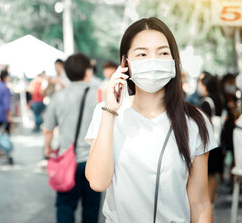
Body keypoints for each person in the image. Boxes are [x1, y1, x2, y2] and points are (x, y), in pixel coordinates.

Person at [85, 17, 216, 222]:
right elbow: (98, 182)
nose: (153, 61)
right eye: (142, 54)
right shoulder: (106, 112)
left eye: (163, 52)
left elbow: (200, 203)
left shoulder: (195, 121)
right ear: (125, 62)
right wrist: (110, 109)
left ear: (174, 60)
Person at [44, 53, 101, 223]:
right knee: (91, 208)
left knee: (65, 205)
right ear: (87, 72)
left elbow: (48, 129)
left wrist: (47, 149)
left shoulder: (58, 97)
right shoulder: (100, 95)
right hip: (94, 161)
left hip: (66, 160)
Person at [198, 73, 225, 203]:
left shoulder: (206, 102)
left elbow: (204, 123)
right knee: (212, 174)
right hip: (218, 141)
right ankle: (212, 198)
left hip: (209, 141)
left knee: (207, 174)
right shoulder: (218, 98)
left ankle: (209, 200)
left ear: (205, 86)